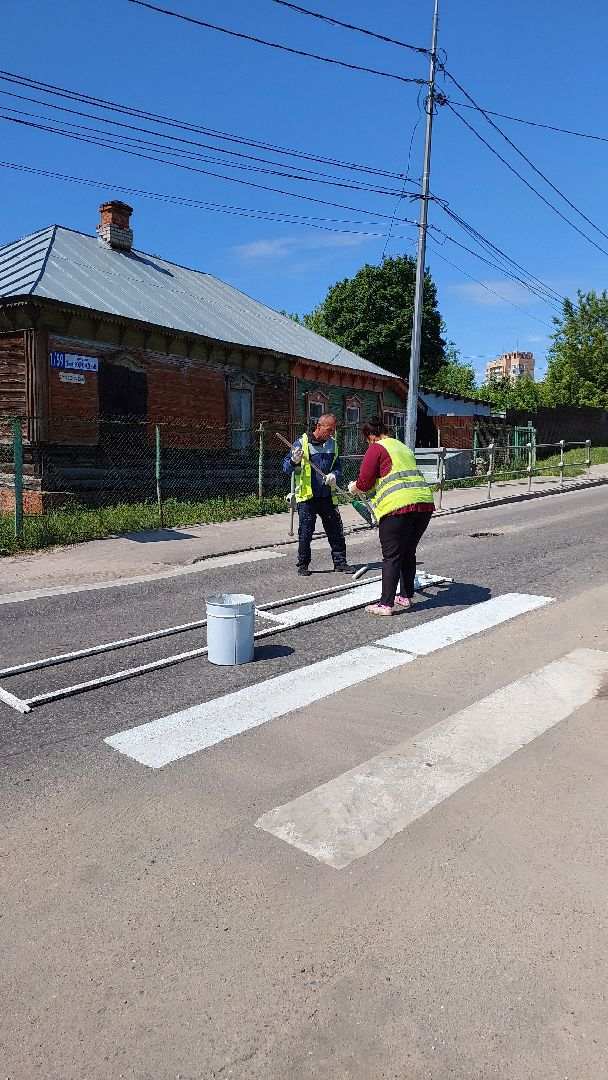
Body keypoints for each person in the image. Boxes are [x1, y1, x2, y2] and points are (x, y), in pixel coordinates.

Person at [348, 415, 434, 615]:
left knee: (391, 556)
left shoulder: (376, 448)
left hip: (398, 507)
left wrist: (354, 487)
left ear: (370, 436)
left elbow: (365, 482)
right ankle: (405, 597)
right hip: (423, 504)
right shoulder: (402, 447)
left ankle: (386, 604)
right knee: (408, 551)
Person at [283, 413, 355, 577]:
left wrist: (334, 475)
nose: (331, 434)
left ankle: (340, 563)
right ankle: (303, 564)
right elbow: (286, 468)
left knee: (336, 530)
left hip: (327, 496)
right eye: (329, 430)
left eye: (333, 430)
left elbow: (337, 467)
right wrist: (294, 460)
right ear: (319, 426)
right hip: (308, 497)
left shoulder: (333, 445)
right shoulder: (301, 444)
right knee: (306, 532)